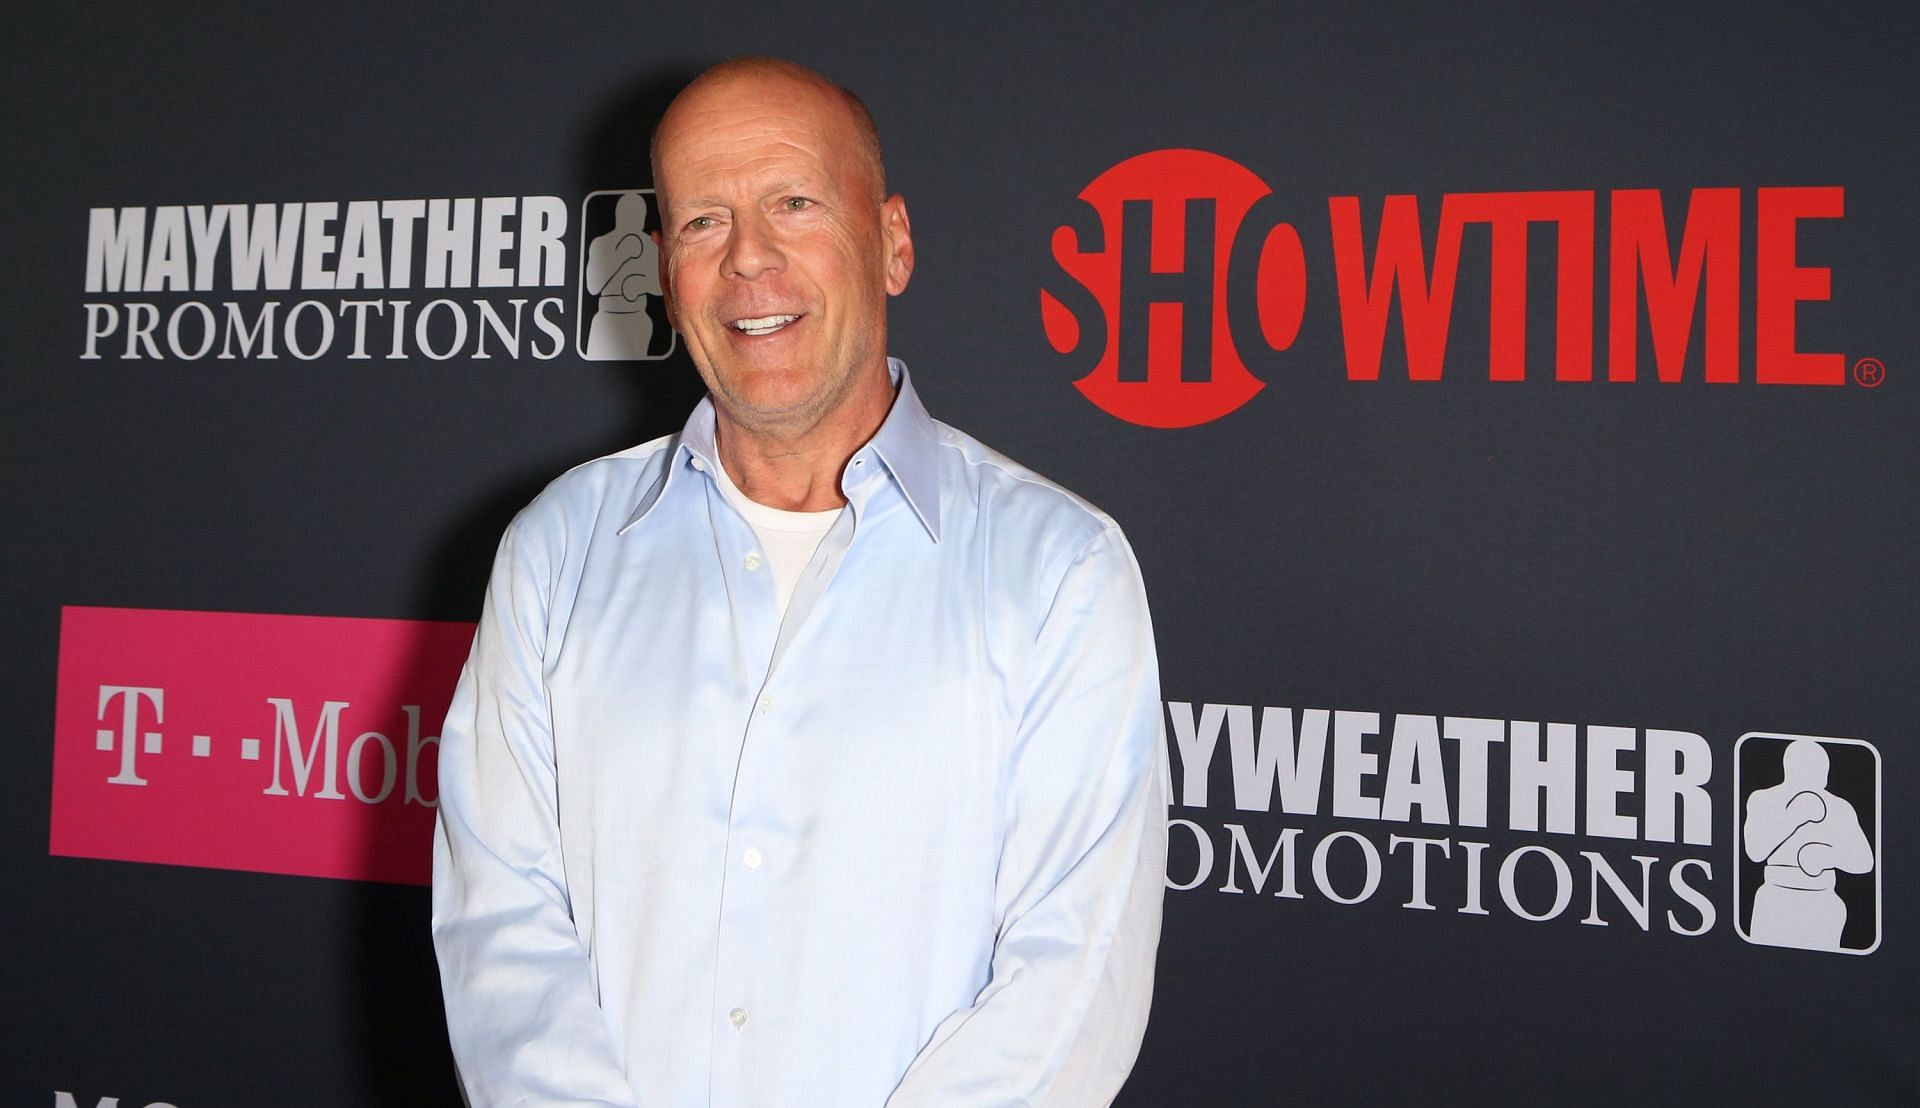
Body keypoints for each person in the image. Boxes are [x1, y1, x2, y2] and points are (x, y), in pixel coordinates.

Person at [431, 57, 1167, 1107]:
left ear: (893, 242)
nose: (749, 261)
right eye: (700, 223)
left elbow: (1068, 989)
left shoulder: (1061, 572)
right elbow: (500, 923)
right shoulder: (558, 549)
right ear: (660, 269)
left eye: (794, 203)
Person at [1742, 738, 1873, 950]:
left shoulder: (1840, 807)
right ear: (1789, 770)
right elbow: (1754, 851)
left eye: (1819, 770)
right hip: (1775, 897)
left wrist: (1829, 856)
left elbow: (1865, 861)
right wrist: (1791, 819)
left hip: (1823, 900)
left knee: (1824, 971)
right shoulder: (1764, 799)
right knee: (1762, 964)